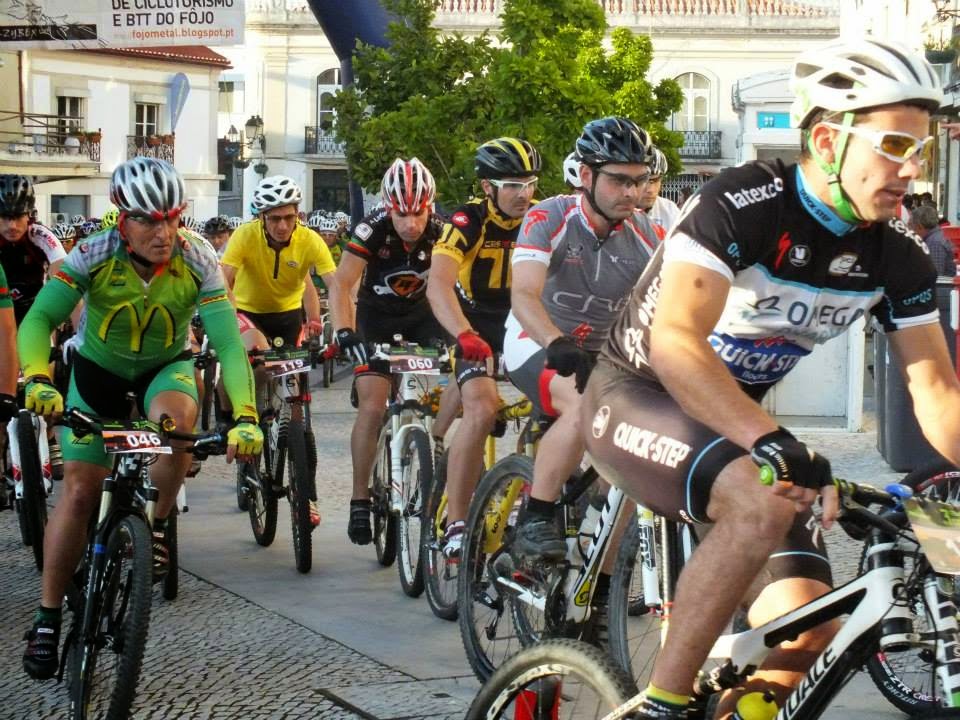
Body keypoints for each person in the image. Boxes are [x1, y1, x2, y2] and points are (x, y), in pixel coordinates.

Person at [580, 37, 949, 718]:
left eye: (920, 150)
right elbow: (676, 344)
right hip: (637, 394)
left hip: (735, 425)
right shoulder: (745, 202)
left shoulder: (898, 256)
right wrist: (772, 439)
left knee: (809, 628)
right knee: (760, 501)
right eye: (896, 146)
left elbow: (938, 394)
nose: (912, 168)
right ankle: (664, 703)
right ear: (829, 140)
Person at [19, 157, 262, 680]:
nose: (163, 232)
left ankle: (157, 520)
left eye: (172, 218)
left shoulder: (197, 257)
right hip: (98, 373)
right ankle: (47, 617)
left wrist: (246, 415)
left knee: (179, 422)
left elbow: (227, 343)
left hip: (163, 368)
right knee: (79, 492)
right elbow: (39, 318)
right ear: (123, 220)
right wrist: (38, 378)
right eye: (149, 221)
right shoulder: (93, 253)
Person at [504, 117, 659, 563]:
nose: (631, 192)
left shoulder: (647, 234)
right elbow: (524, 293)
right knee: (583, 404)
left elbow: (672, 305)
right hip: (537, 338)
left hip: (602, 351)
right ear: (586, 176)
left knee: (638, 435)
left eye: (639, 181)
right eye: (619, 180)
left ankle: (598, 552)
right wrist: (555, 341)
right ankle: (536, 516)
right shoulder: (549, 216)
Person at [426, 137, 541, 558]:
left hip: (522, 324)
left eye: (529, 184)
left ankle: (532, 491)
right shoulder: (467, 221)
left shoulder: (542, 217)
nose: (523, 194)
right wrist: (463, 333)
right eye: (512, 185)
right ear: (488, 187)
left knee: (558, 406)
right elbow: (438, 285)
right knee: (482, 407)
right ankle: (457, 523)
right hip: (472, 324)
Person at [220, 176, 344, 526]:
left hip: (288, 318)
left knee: (300, 420)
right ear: (261, 218)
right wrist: (227, 317)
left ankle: (309, 496)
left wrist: (343, 328)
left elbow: (333, 284)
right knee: (255, 358)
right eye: (274, 218)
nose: (282, 225)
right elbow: (225, 279)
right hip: (249, 312)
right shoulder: (244, 236)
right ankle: (236, 416)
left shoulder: (309, 240)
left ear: (297, 215)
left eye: (289, 217)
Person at [334, 158, 446, 544]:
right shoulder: (372, 229)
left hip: (423, 318)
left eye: (418, 213)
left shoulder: (442, 231)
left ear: (430, 207)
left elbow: (459, 287)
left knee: (435, 401)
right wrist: (345, 331)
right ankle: (359, 499)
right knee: (372, 407)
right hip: (375, 318)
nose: (411, 224)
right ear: (388, 208)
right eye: (402, 214)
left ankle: (428, 457)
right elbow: (341, 284)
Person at [639, 146, 681, 240]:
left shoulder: (670, 210)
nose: (650, 190)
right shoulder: (617, 210)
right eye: (644, 181)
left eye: (656, 181)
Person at [912, 203, 956, 276]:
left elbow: (935, 275)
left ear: (919, 226)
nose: (911, 229)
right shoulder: (937, 236)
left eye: (912, 225)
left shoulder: (934, 242)